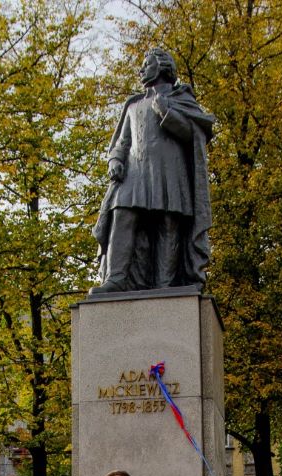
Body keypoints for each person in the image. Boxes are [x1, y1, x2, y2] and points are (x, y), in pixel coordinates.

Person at [91, 48, 214, 294]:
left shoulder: (181, 99)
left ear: (162, 67)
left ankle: (164, 283)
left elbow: (195, 136)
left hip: (170, 173)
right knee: (122, 216)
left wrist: (166, 112)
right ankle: (115, 278)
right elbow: (121, 142)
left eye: (147, 64)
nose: (142, 69)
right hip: (134, 173)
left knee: (168, 223)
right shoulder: (133, 104)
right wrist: (115, 160)